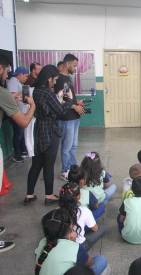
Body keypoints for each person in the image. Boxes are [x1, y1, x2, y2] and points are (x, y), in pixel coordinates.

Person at [25, 65, 82, 206]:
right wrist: (68, 100)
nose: (55, 82)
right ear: (49, 78)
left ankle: (29, 194)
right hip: (50, 131)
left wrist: (58, 98)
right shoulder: (47, 93)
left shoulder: (37, 91)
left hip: (38, 130)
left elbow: (48, 107)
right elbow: (60, 111)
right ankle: (49, 195)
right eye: (54, 79)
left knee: (36, 164)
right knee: (49, 165)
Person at [0, 55, 36, 253]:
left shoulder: (6, 92)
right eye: (6, 70)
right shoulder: (3, 92)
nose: (8, 74)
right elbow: (23, 122)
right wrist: (32, 106)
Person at [34, 208, 108, 275]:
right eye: (72, 227)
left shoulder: (41, 242)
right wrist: (73, 242)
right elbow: (90, 263)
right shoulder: (75, 248)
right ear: (69, 232)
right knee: (101, 260)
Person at [57, 53, 85, 181]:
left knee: (73, 146)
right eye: (74, 66)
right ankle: (65, 171)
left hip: (74, 118)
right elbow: (61, 99)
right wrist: (75, 107)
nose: (75, 68)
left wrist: (77, 103)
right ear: (67, 64)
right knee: (66, 147)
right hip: (66, 119)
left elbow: (68, 97)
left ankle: (74, 169)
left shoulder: (67, 78)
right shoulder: (59, 79)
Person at [59, 182, 106, 251]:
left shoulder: (56, 212)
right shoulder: (84, 211)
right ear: (78, 197)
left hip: (62, 244)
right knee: (104, 227)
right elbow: (95, 229)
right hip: (79, 246)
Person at [7, 66, 29, 162]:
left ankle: (22, 151)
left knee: (21, 133)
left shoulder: (17, 82)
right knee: (18, 134)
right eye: (25, 76)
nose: (26, 78)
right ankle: (17, 155)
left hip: (20, 112)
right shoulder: (12, 81)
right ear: (20, 74)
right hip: (16, 113)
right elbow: (11, 96)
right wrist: (21, 93)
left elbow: (17, 97)